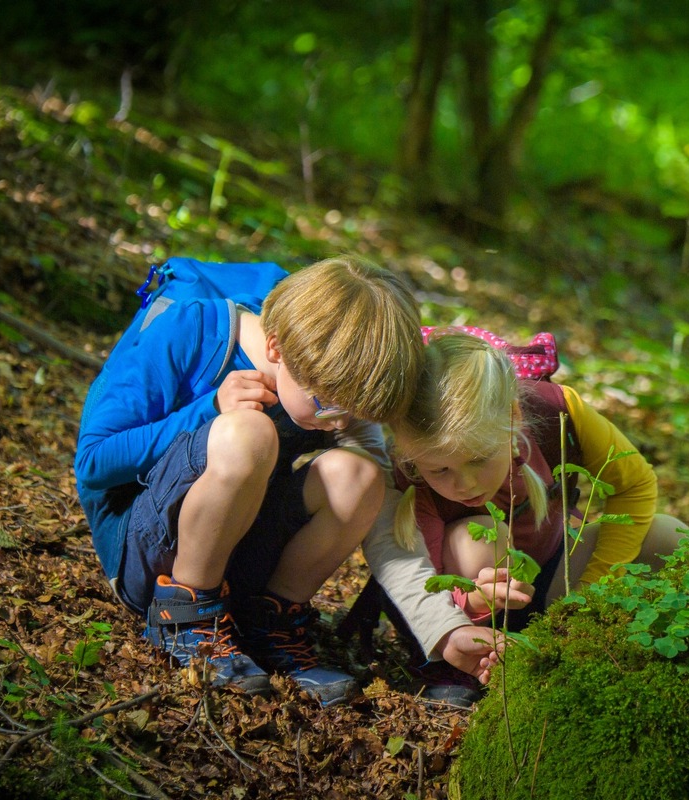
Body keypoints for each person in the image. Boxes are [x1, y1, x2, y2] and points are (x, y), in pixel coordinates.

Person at [74, 256, 497, 706]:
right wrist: (212, 409)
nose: (341, 419)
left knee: (361, 474)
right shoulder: (192, 331)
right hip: (148, 552)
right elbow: (94, 462)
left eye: (357, 410)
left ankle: (268, 624)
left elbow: (384, 511)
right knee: (249, 433)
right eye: (330, 405)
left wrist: (442, 628)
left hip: (237, 558)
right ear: (275, 348)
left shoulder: (330, 377)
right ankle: (186, 618)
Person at [385, 327, 687, 703]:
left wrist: (591, 596)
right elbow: (420, 578)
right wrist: (472, 603)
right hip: (468, 609)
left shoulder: (557, 410)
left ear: (513, 415)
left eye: (479, 459)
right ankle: (464, 670)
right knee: (480, 535)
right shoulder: (407, 471)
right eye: (440, 470)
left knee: (670, 536)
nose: (463, 484)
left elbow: (635, 484)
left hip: (551, 580)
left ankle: (645, 657)